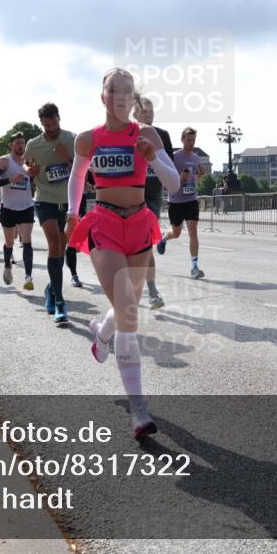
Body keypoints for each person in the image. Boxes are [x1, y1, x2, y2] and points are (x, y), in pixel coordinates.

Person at [65, 68, 180, 438]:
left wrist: (154, 158)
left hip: (140, 225)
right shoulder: (88, 139)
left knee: (124, 305)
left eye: (127, 91)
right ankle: (139, 409)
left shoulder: (146, 134)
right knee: (129, 307)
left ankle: (101, 335)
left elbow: (174, 183)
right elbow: (78, 177)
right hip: (105, 224)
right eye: (113, 90)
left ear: (134, 99)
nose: (120, 96)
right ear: (103, 96)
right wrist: (72, 210)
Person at [24, 102, 76, 323]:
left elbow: (82, 171)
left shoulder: (72, 139)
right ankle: (60, 303)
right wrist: (30, 170)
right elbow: (26, 165)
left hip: (68, 200)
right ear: (42, 124)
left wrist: (66, 157)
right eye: (47, 125)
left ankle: (51, 289)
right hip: (44, 199)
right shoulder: (34, 144)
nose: (51, 128)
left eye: (54, 123)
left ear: (59, 118)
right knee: (54, 243)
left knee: (62, 248)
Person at [133, 94, 173, 309]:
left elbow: (170, 166)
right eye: (144, 110)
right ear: (134, 113)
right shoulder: (127, 132)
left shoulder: (162, 135)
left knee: (146, 242)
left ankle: (152, 291)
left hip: (153, 195)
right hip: (131, 194)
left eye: (151, 111)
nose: (148, 114)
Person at [156, 127, 205, 279]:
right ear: (182, 139)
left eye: (193, 140)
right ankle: (163, 239)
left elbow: (196, 178)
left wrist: (200, 175)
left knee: (193, 230)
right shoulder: (175, 157)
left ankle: (195, 267)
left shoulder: (196, 158)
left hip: (191, 199)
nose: (191, 143)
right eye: (189, 140)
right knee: (176, 233)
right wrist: (179, 177)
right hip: (176, 200)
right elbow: (167, 176)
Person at [0, 132, 35, 288]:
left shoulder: (28, 160)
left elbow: (35, 179)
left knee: (27, 240)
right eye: (17, 143)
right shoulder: (4, 161)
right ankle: (7, 266)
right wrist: (11, 179)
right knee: (9, 242)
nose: (21, 145)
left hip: (27, 206)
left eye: (23, 143)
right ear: (11, 145)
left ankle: (28, 277)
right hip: (8, 207)